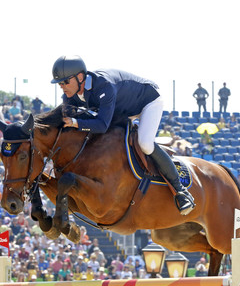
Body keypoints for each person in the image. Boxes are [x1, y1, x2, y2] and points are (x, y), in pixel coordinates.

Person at [50, 55, 195, 215]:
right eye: (59, 83)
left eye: (65, 82)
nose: (62, 86)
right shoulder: (70, 96)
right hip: (122, 110)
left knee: (145, 144)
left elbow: (102, 125)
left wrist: (76, 123)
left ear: (80, 77)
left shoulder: (103, 86)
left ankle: (181, 191)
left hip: (147, 102)